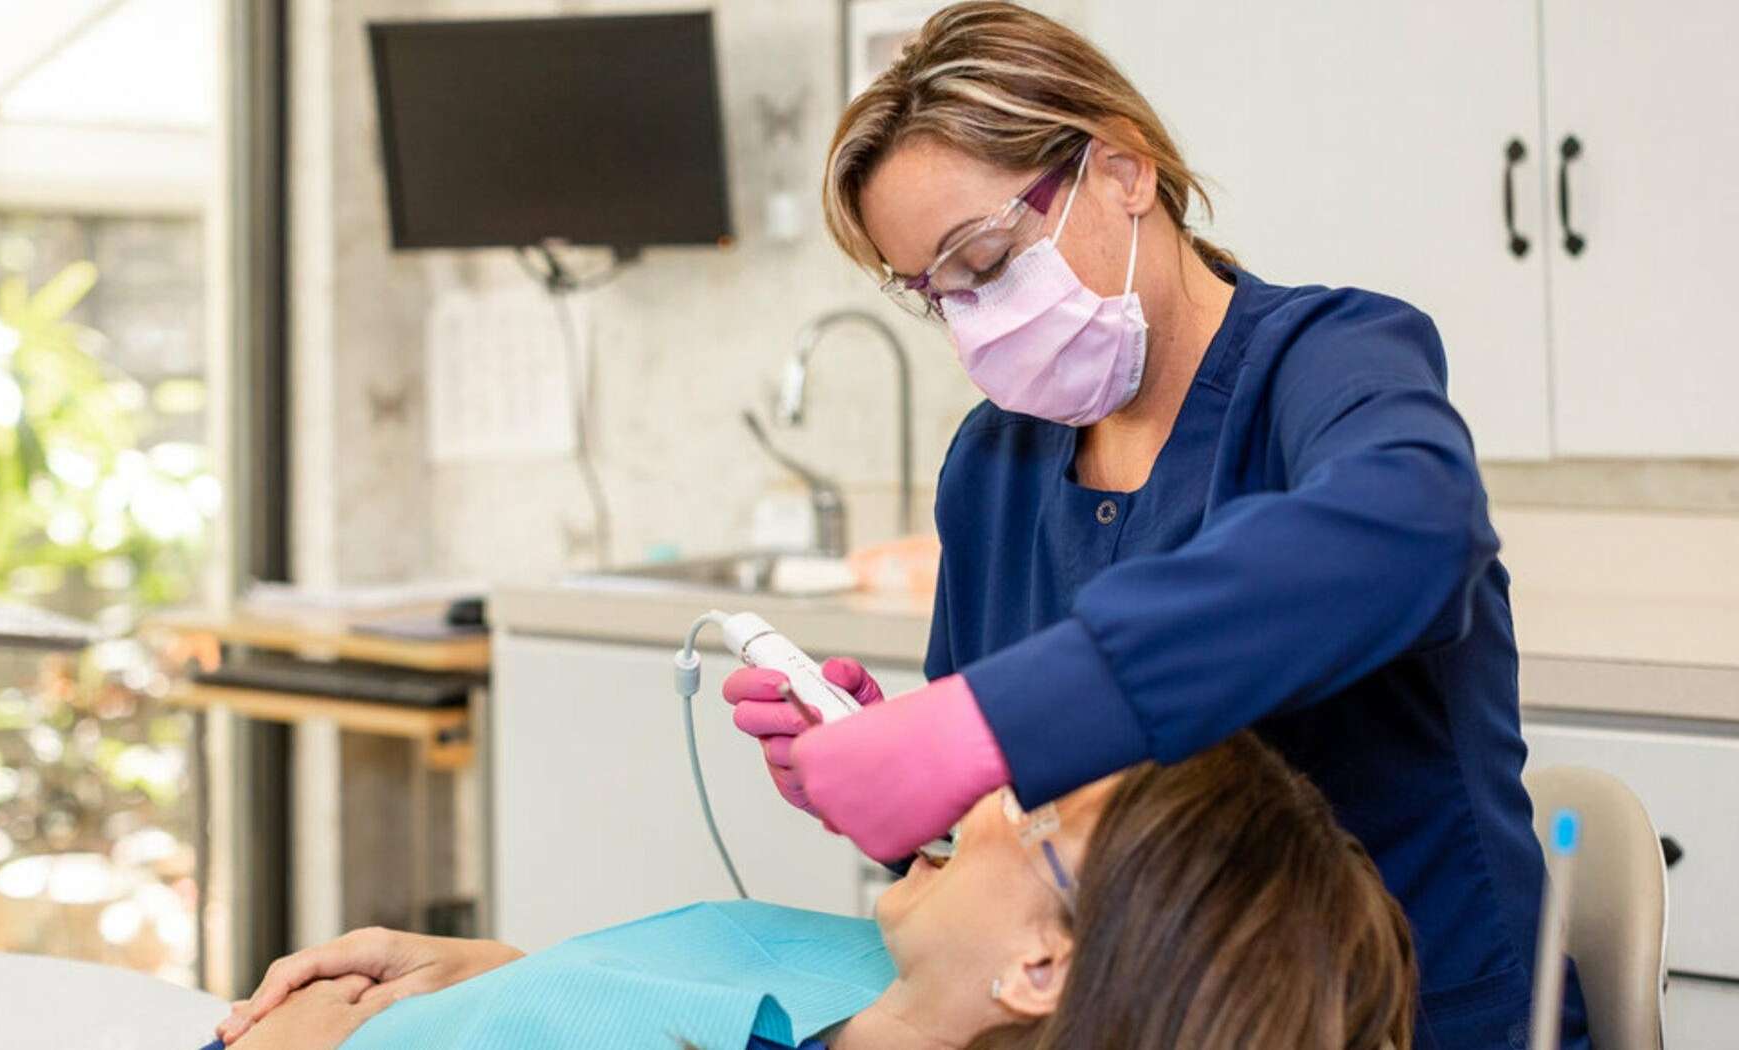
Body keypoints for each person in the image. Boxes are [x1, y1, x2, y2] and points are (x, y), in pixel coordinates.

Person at [721, 4, 1588, 1048]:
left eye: (986, 262)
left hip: (1401, 1018)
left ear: (1125, 169)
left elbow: (1412, 529)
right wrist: (892, 775)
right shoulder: (994, 466)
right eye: (935, 296)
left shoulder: (1330, 362)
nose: (974, 324)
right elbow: (1028, 857)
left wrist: (985, 723)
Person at [218, 733, 1415, 1049]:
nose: (991, 793)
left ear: (1041, 969)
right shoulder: (870, 983)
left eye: (1036, 814)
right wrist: (501, 979)